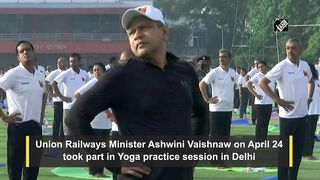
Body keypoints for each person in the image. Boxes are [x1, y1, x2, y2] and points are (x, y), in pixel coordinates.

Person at [65, 5, 208, 180]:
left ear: (164, 32)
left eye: (143, 28)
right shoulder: (122, 75)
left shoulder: (184, 71)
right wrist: (113, 162)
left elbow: (200, 112)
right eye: (131, 32)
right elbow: (75, 117)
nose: (137, 35)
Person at [259, 38, 314, 180]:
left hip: (302, 117)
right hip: (287, 119)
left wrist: (309, 99)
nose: (290, 51)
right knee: (285, 155)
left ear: (300, 50)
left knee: (296, 155)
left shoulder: (305, 66)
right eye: (288, 48)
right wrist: (277, 100)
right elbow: (262, 82)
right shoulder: (282, 66)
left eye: (294, 48)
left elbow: (311, 82)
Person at [0, 40, 46, 180]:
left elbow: (43, 94)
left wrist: (41, 116)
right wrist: (4, 117)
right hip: (18, 127)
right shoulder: (13, 74)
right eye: (21, 51)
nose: (25, 52)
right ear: (18, 57)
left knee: (32, 171)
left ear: (33, 52)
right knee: (15, 170)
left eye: (28, 49)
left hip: (35, 128)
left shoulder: (39, 74)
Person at [199, 49, 236, 167]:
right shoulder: (215, 72)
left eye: (224, 57)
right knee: (216, 136)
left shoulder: (232, 72)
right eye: (220, 57)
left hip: (228, 109)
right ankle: (215, 160)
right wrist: (207, 99)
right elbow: (202, 84)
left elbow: (242, 82)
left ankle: (221, 159)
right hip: (217, 109)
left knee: (225, 137)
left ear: (229, 59)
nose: (221, 59)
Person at [74, 62, 112, 177]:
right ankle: (94, 171)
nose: (96, 72)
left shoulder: (108, 83)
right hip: (95, 122)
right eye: (94, 70)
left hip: (107, 122)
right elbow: (77, 94)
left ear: (104, 71)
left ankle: (100, 170)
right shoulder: (92, 83)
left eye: (99, 70)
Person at [51, 53, 89, 136]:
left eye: (74, 61)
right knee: (68, 133)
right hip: (69, 107)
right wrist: (62, 97)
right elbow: (53, 83)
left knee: (80, 132)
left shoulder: (84, 73)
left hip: (81, 107)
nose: (72, 63)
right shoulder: (67, 73)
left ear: (79, 62)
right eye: (70, 61)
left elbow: (88, 87)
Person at [246, 61, 275, 139]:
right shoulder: (258, 75)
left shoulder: (271, 75)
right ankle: (258, 141)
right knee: (260, 123)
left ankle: (264, 140)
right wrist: (255, 94)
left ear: (266, 67)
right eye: (259, 67)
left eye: (262, 66)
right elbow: (248, 84)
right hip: (260, 103)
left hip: (269, 102)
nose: (261, 68)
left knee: (266, 123)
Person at [45, 57, 66, 138]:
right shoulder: (55, 72)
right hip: (58, 100)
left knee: (64, 120)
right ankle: (55, 137)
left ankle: (62, 137)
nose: (59, 64)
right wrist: (50, 93)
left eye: (61, 62)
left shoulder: (68, 72)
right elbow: (46, 82)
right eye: (58, 62)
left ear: (65, 63)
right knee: (57, 119)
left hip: (66, 100)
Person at [302, 62, 320, 160]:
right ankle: (306, 154)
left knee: (311, 133)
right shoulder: (304, 80)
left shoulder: (317, 81)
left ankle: (309, 153)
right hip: (307, 110)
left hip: (315, 111)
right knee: (307, 133)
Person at [246, 58, 261, 125]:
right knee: (254, 106)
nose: (256, 65)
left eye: (258, 63)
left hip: (261, 90)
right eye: (255, 64)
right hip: (254, 90)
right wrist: (251, 86)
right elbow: (246, 77)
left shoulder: (261, 69)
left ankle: (259, 119)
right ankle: (253, 119)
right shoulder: (254, 70)